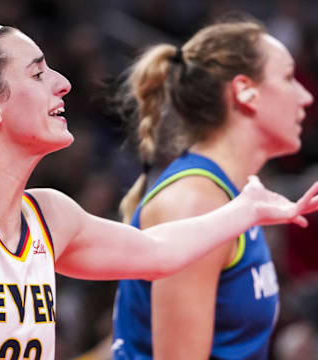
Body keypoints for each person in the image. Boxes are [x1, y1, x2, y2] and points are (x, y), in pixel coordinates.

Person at [0, 24, 316, 360]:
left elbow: (159, 252)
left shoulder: (50, 215)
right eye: (37, 74)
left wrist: (247, 210)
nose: (63, 83)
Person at [111, 16, 315, 360]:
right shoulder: (195, 202)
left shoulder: (228, 194)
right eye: (288, 78)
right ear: (244, 90)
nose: (306, 96)